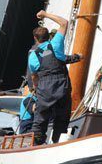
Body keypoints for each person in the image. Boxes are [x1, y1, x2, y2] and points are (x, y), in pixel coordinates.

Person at [28, 10, 83, 145]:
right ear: (48, 36)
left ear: (35, 39)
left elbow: (34, 77)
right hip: (61, 87)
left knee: (40, 120)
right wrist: (45, 14)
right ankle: (58, 144)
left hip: (44, 89)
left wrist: (36, 89)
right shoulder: (56, 44)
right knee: (62, 119)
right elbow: (64, 23)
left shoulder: (33, 56)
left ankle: (36, 145)